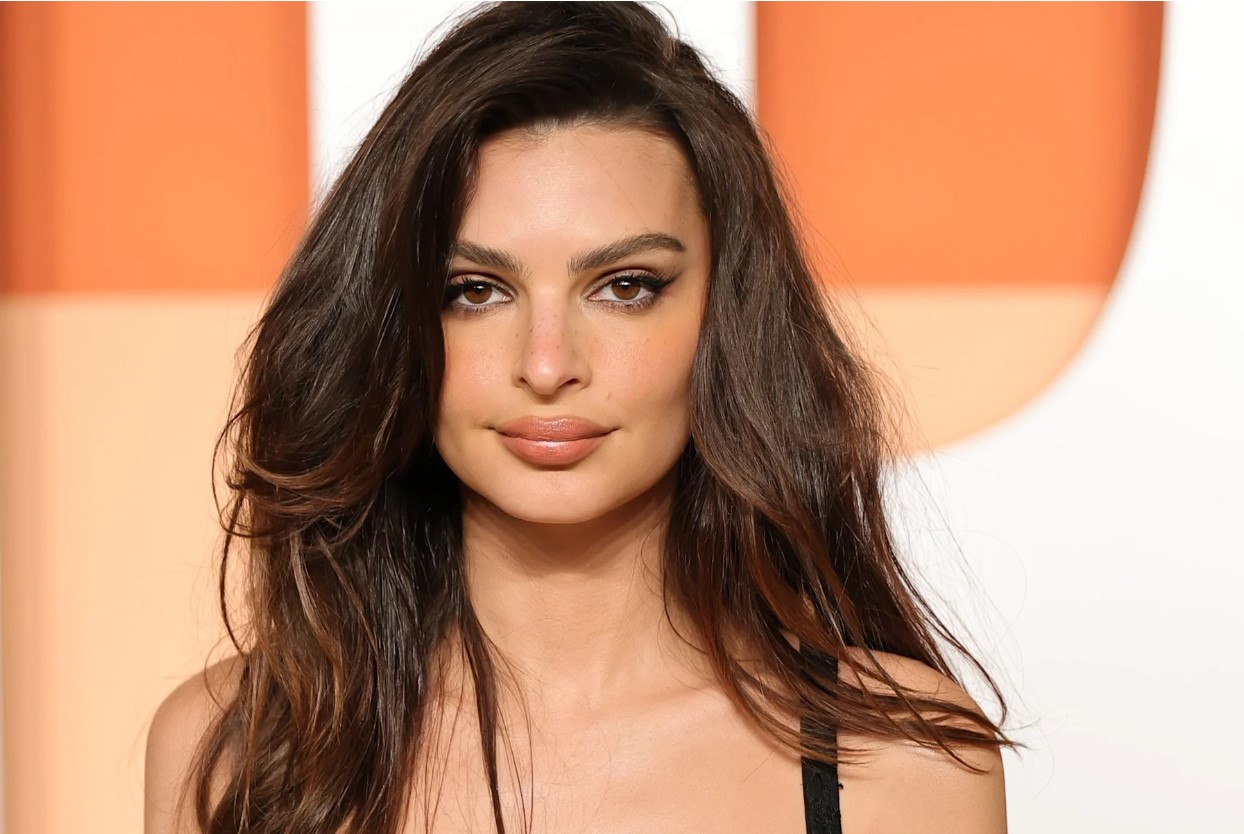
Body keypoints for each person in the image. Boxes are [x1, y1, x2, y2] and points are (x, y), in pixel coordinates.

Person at [144, 3, 1017, 832]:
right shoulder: (235, 754)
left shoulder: (902, 766)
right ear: (396, 322)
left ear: (726, 316)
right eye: (475, 291)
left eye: (626, 287)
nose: (547, 364)